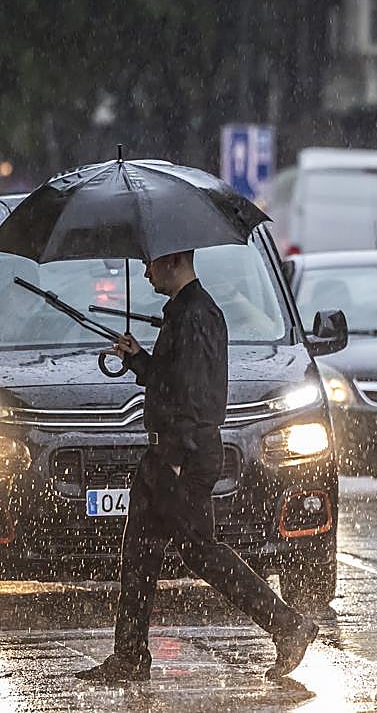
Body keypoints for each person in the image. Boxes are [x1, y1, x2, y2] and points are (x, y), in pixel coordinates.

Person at [76, 250, 319, 683]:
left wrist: (173, 458)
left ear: (172, 261)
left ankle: (289, 626)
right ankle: (130, 655)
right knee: (139, 553)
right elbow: (173, 382)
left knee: (201, 553)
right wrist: (137, 359)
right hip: (166, 454)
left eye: (150, 263)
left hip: (181, 455)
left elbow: (197, 397)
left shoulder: (198, 316)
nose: (146, 272)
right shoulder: (183, 314)